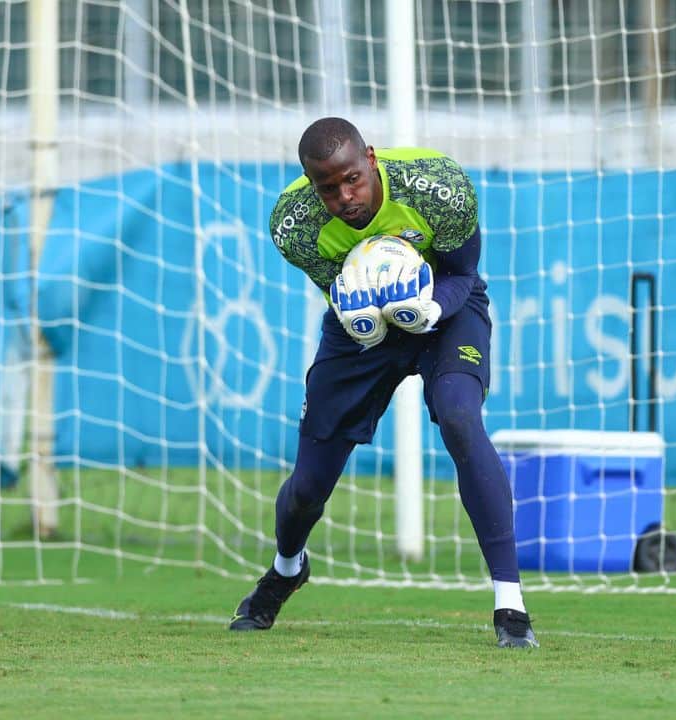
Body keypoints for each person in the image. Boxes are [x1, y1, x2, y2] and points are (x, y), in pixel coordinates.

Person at [227, 117, 537, 648]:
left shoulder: (437, 186)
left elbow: (465, 274)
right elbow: (338, 291)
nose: (345, 196)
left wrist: (429, 305)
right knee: (307, 487)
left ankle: (511, 606)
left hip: (444, 308)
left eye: (352, 178)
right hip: (363, 326)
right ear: (310, 183)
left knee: (461, 418)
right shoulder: (293, 225)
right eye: (328, 188)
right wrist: (358, 313)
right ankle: (285, 569)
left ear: (369, 159)